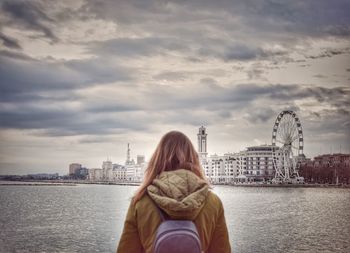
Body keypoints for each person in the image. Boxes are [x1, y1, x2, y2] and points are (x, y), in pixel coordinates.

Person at [116, 131, 231, 253]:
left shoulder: (140, 201)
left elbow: (127, 248)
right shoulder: (212, 202)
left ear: (157, 160)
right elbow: (221, 249)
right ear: (193, 158)